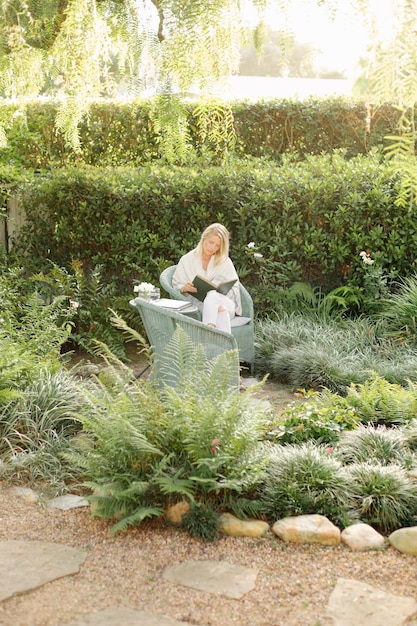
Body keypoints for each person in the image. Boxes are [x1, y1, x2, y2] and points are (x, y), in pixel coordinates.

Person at [172, 223, 242, 334]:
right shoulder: (187, 259)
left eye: (217, 246)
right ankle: (227, 349)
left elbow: (235, 288)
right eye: (211, 242)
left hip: (226, 304)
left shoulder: (225, 262)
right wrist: (184, 288)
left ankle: (209, 328)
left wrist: (221, 292)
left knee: (212, 294)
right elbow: (176, 285)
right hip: (200, 305)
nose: (212, 247)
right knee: (221, 311)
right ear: (204, 238)